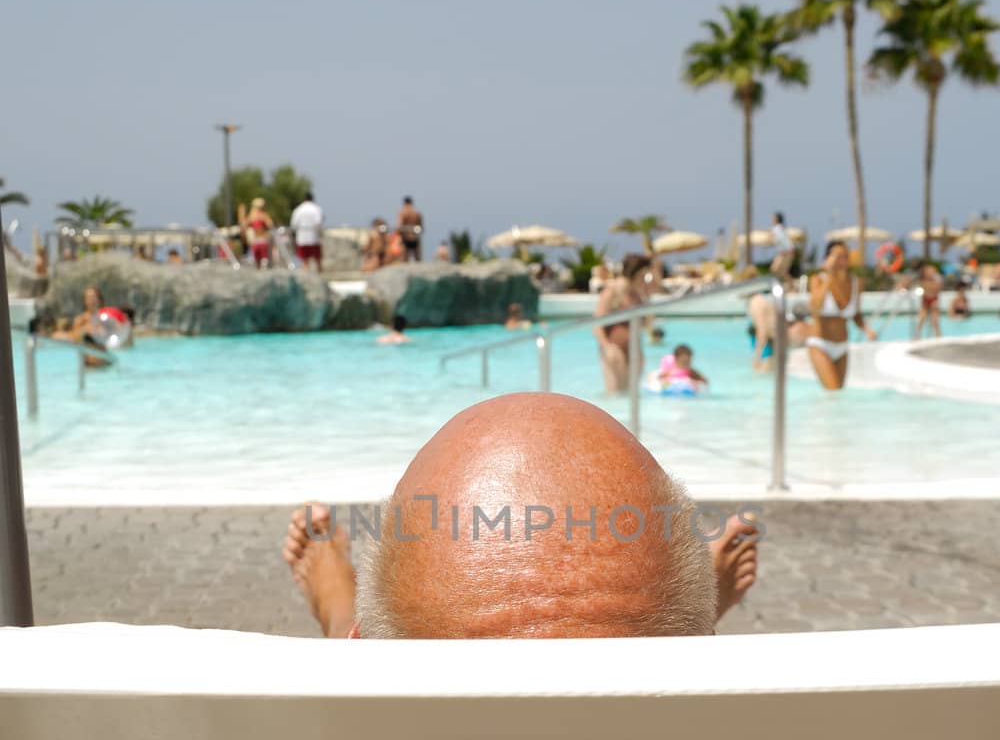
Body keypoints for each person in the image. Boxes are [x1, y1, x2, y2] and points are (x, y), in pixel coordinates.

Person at [282, 392, 760, 640]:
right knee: (660, 616)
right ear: (710, 646)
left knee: (380, 631)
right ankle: (666, 624)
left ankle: (340, 609)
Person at [806, 239, 877, 391]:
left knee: (839, 394)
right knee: (833, 390)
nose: (842, 260)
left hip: (842, 347)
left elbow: (855, 314)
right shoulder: (818, 279)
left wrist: (866, 329)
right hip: (820, 344)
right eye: (837, 256)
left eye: (845, 256)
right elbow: (815, 308)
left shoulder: (855, 282)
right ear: (827, 259)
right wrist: (829, 275)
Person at [594, 254, 649, 393]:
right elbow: (597, 324)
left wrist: (647, 297)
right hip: (614, 348)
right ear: (634, 274)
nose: (645, 280)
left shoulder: (637, 295)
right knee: (614, 393)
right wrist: (607, 346)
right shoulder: (612, 292)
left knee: (629, 394)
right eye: (643, 276)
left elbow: (647, 324)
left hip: (633, 348)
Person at [290, 191, 324, 271]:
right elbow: (318, 222)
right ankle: (320, 275)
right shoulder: (316, 209)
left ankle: (306, 276)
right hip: (314, 238)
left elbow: (294, 224)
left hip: (302, 238)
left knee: (305, 262)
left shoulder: (298, 210)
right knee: (318, 261)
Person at [239, 197, 273, 269]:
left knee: (258, 263)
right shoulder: (263, 215)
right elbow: (270, 225)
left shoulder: (252, 216)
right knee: (264, 262)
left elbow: (243, 225)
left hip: (256, 241)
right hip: (262, 240)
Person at [914, 261, 943, 339]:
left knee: (935, 320)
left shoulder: (933, 280)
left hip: (933, 299)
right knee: (921, 318)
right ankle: (917, 336)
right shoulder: (922, 280)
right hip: (925, 299)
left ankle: (938, 336)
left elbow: (938, 288)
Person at [768, 211, 795, 279]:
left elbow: (776, 240)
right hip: (786, 252)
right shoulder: (780, 228)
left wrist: (770, 239)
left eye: (773, 218)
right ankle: (792, 285)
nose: (772, 219)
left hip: (786, 252)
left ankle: (776, 285)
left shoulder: (776, 229)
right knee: (781, 272)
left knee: (775, 270)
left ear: (777, 219)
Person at [397, 196, 423, 261]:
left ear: (404, 203)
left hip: (405, 238)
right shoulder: (417, 213)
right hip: (415, 237)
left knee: (405, 259)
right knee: (417, 259)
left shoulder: (403, 213)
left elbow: (400, 226)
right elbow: (421, 227)